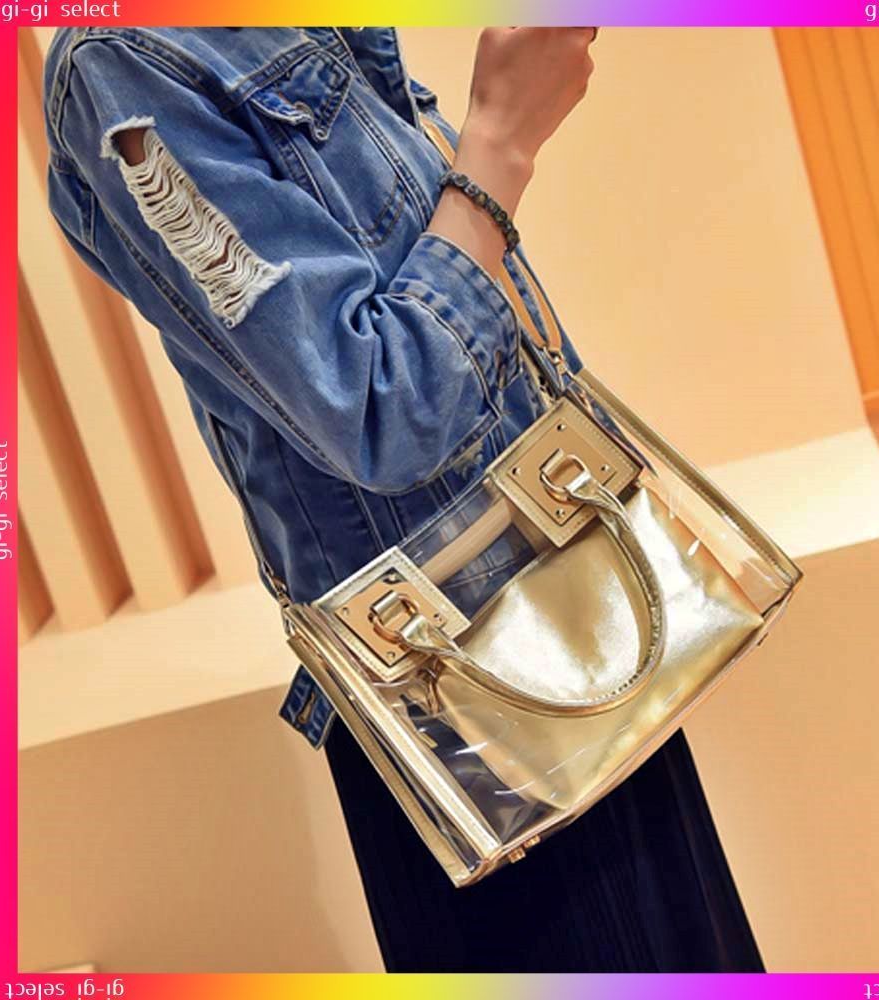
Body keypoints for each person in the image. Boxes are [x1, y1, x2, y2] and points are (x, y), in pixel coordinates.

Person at [44, 26, 764, 972]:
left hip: (580, 626)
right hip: (463, 696)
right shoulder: (125, 64)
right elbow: (381, 407)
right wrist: (499, 143)